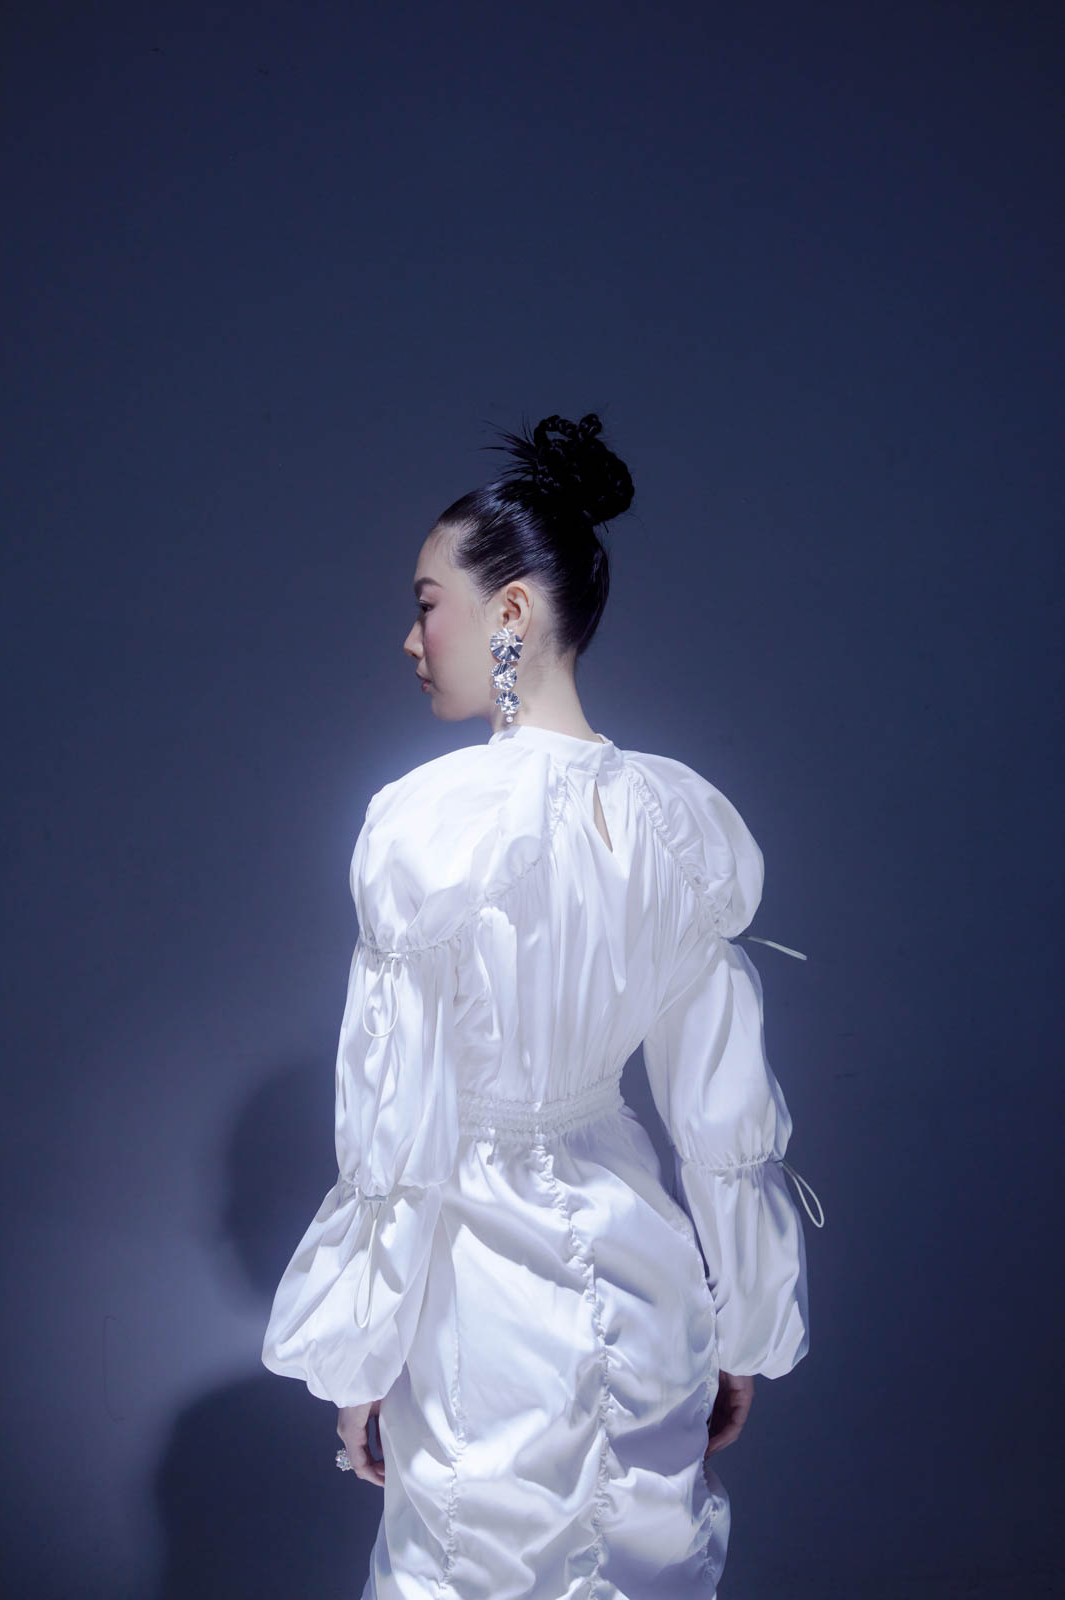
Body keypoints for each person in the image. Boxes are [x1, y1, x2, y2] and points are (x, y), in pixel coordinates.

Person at [261, 411, 825, 1598]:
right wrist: (743, 1328)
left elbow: (395, 1131)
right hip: (647, 1277)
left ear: (509, 612)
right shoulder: (680, 821)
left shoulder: (424, 825)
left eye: (427, 604)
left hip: (479, 1299)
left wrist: (357, 1361)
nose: (410, 638)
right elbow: (722, 1117)